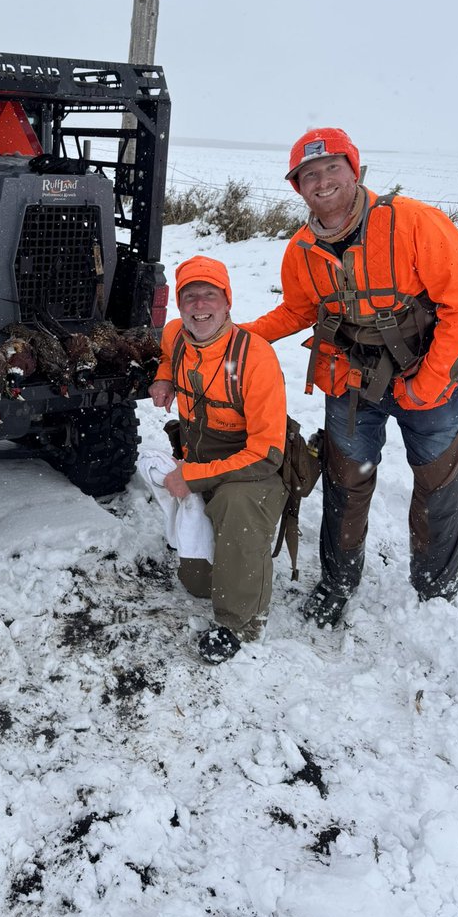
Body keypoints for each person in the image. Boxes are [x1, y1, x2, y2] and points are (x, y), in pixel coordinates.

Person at [239, 126, 458, 628]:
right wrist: (238, 337)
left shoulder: (416, 223)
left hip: (428, 378)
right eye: (309, 174)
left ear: (355, 170)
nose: (322, 181)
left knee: (439, 485)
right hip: (351, 381)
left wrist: (431, 381)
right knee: (344, 483)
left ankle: (435, 590)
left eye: (333, 167)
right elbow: (297, 310)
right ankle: (337, 582)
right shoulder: (302, 249)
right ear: (298, 188)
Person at [147, 256, 288, 664]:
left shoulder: (255, 357)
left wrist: (192, 477)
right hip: (202, 461)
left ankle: (242, 622)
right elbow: (167, 350)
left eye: (210, 294)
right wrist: (163, 374)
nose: (199, 305)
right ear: (179, 305)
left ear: (228, 303)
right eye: (189, 296)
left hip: (253, 469)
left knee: (236, 504)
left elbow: (267, 453)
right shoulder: (176, 334)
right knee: (197, 585)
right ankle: (218, 554)